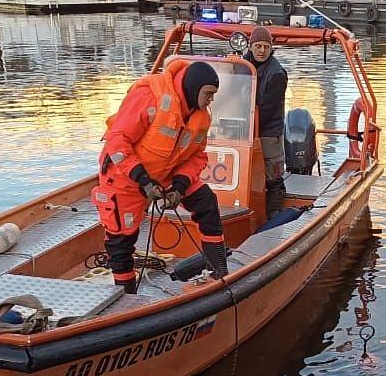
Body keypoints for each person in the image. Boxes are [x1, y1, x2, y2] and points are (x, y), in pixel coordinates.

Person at [93, 59, 227, 294]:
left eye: (213, 95)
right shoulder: (149, 97)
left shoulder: (201, 118)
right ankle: (126, 297)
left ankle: (220, 272)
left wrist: (180, 186)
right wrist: (143, 180)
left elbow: (195, 157)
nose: (210, 100)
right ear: (193, 88)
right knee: (121, 240)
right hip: (124, 175)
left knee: (206, 203)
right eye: (208, 94)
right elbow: (117, 140)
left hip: (165, 174)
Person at [243, 25, 289, 214]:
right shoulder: (242, 65)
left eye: (266, 47)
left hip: (269, 129)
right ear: (250, 46)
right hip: (245, 125)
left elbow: (268, 109)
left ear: (271, 48)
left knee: (273, 175)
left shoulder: (277, 74)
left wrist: (248, 127)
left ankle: (274, 214)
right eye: (258, 46)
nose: (262, 50)